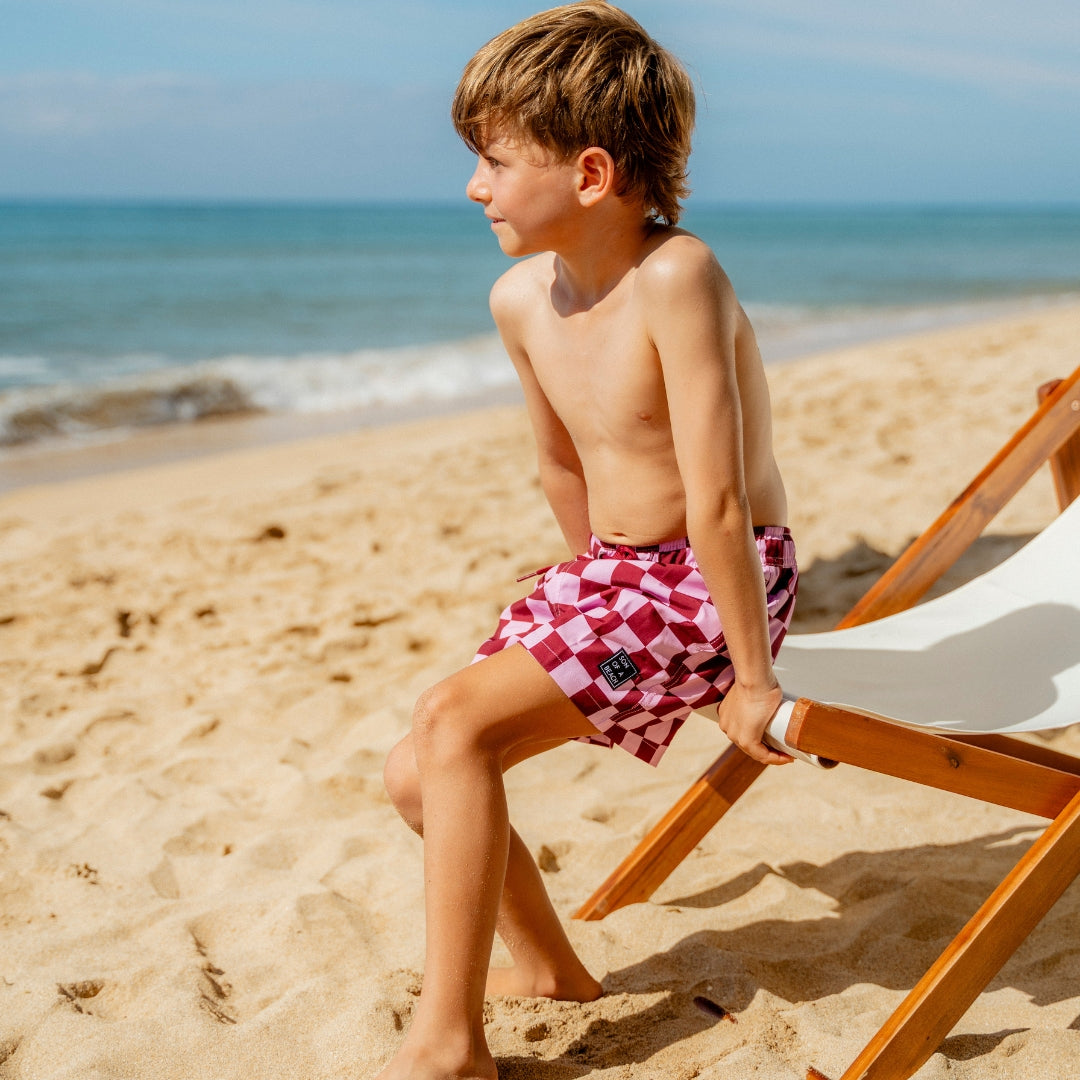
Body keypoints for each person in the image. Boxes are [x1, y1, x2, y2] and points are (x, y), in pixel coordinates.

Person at [377, 3, 797, 1077]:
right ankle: (552, 969)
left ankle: (448, 1043)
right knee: (417, 772)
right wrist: (581, 577)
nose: (474, 187)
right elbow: (561, 463)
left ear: (592, 174)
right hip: (615, 575)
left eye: (494, 160)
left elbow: (716, 501)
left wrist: (751, 680)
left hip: (716, 582)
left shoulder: (677, 278)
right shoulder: (520, 299)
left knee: (452, 721)